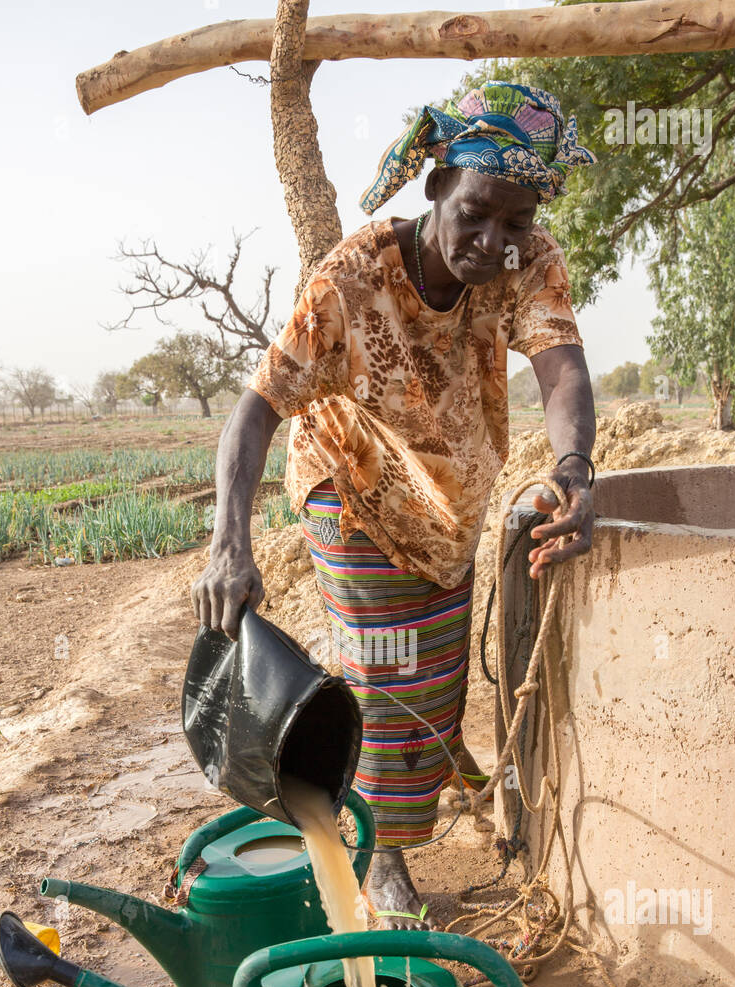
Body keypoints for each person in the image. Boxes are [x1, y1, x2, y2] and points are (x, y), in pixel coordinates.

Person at [192, 80, 597, 928]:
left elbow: (560, 367)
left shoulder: (533, 262)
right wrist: (231, 542)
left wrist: (575, 468)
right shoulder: (351, 283)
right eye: (477, 212)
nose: (494, 242)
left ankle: (429, 777)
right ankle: (383, 859)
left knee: (436, 671)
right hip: (353, 483)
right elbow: (256, 409)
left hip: (449, 503)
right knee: (386, 670)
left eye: (515, 224)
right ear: (437, 184)